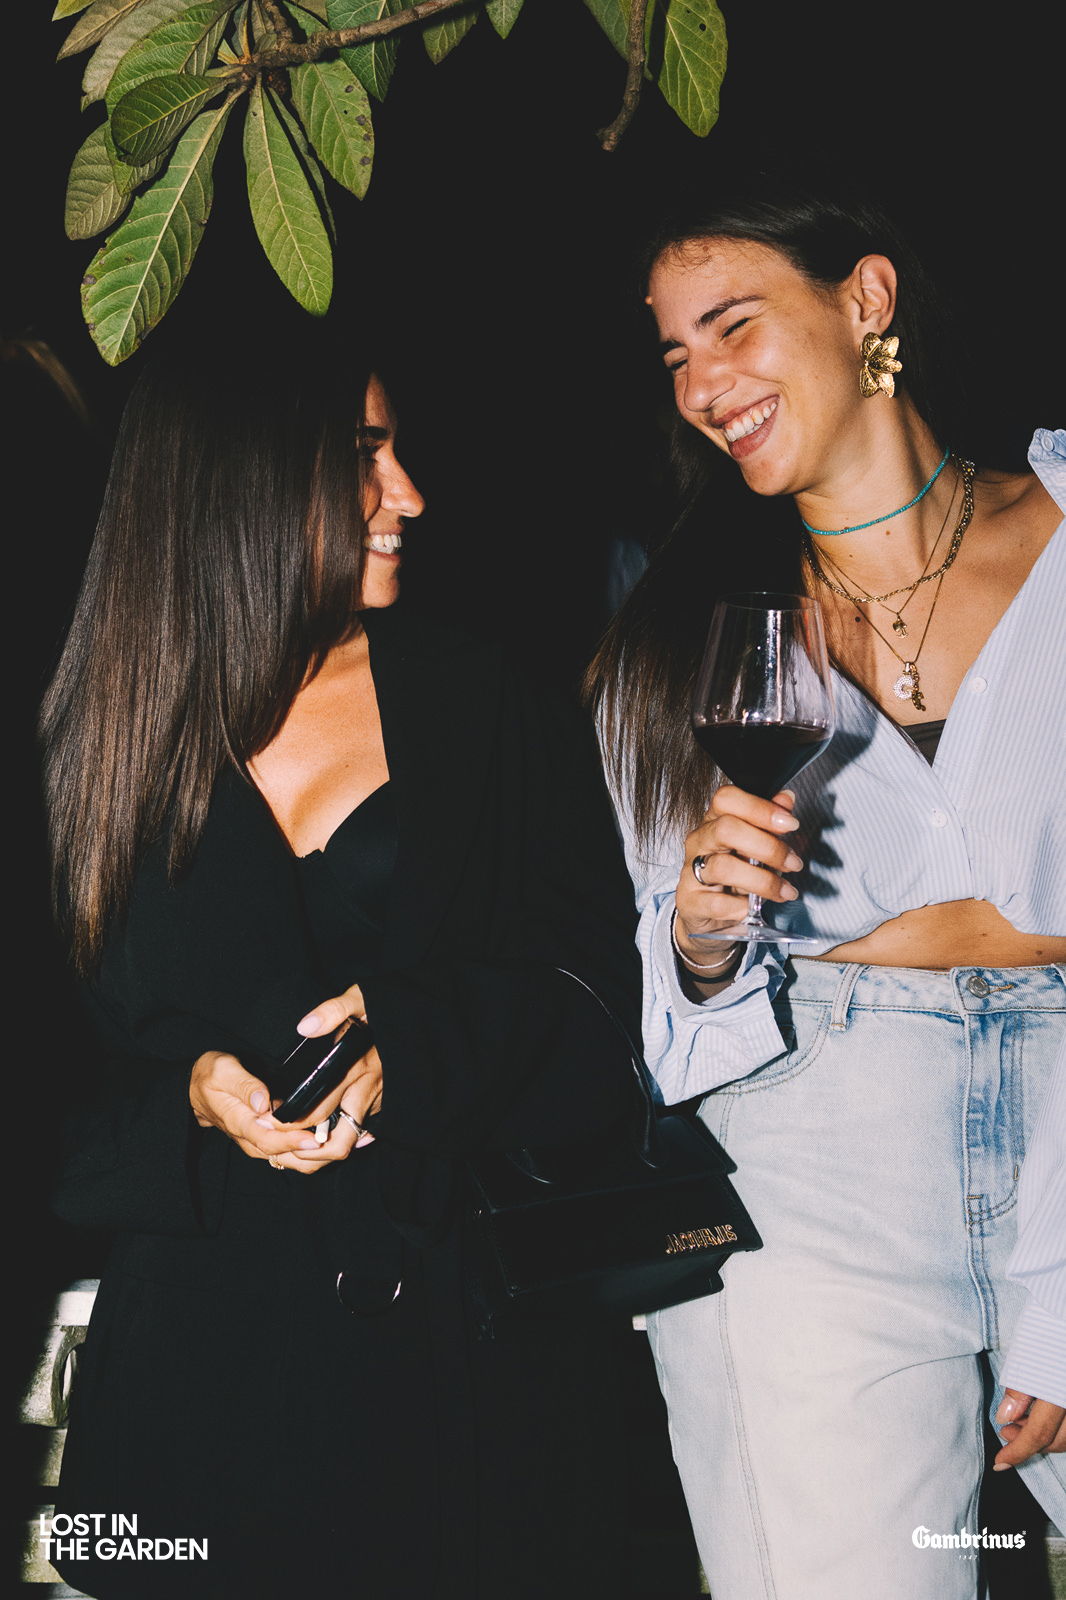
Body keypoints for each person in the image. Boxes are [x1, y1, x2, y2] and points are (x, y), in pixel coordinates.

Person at [40, 345, 643, 1599]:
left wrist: (412, 1042)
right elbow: (46, 1087)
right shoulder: (97, 734)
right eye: (366, 455)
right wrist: (189, 1096)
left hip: (469, 1376)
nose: (409, 492)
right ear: (242, 478)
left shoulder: (487, 696)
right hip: (204, 1395)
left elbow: (601, 1014)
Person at [587, 185, 1066, 1600]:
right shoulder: (670, 646)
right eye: (674, 354)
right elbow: (663, 1014)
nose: (701, 385)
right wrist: (701, 936)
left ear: (865, 301)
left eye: (731, 326)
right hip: (807, 1167)